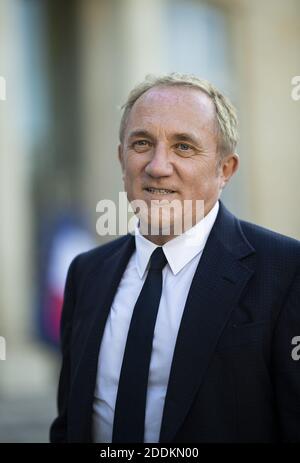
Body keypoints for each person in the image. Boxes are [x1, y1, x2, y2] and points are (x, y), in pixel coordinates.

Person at [50, 73, 300, 443]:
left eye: (183, 147)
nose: (158, 166)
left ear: (225, 170)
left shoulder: (286, 271)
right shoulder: (86, 272)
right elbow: (70, 422)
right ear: (122, 158)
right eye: (142, 143)